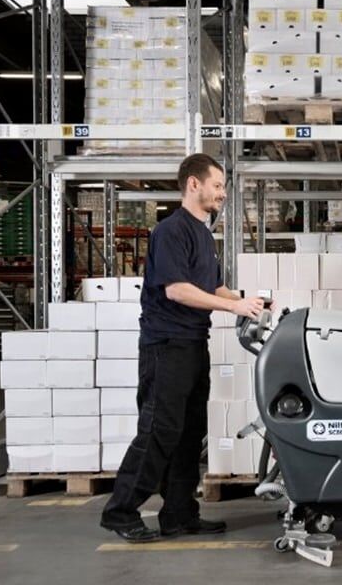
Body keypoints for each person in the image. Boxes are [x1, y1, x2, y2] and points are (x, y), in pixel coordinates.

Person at [100, 153, 266, 543]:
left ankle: (179, 514)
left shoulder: (203, 234)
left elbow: (212, 287)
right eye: (218, 185)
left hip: (193, 343)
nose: (222, 193)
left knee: (190, 432)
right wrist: (233, 307)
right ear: (194, 184)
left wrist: (250, 301)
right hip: (166, 345)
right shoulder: (171, 231)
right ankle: (120, 511)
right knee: (159, 430)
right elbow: (177, 290)